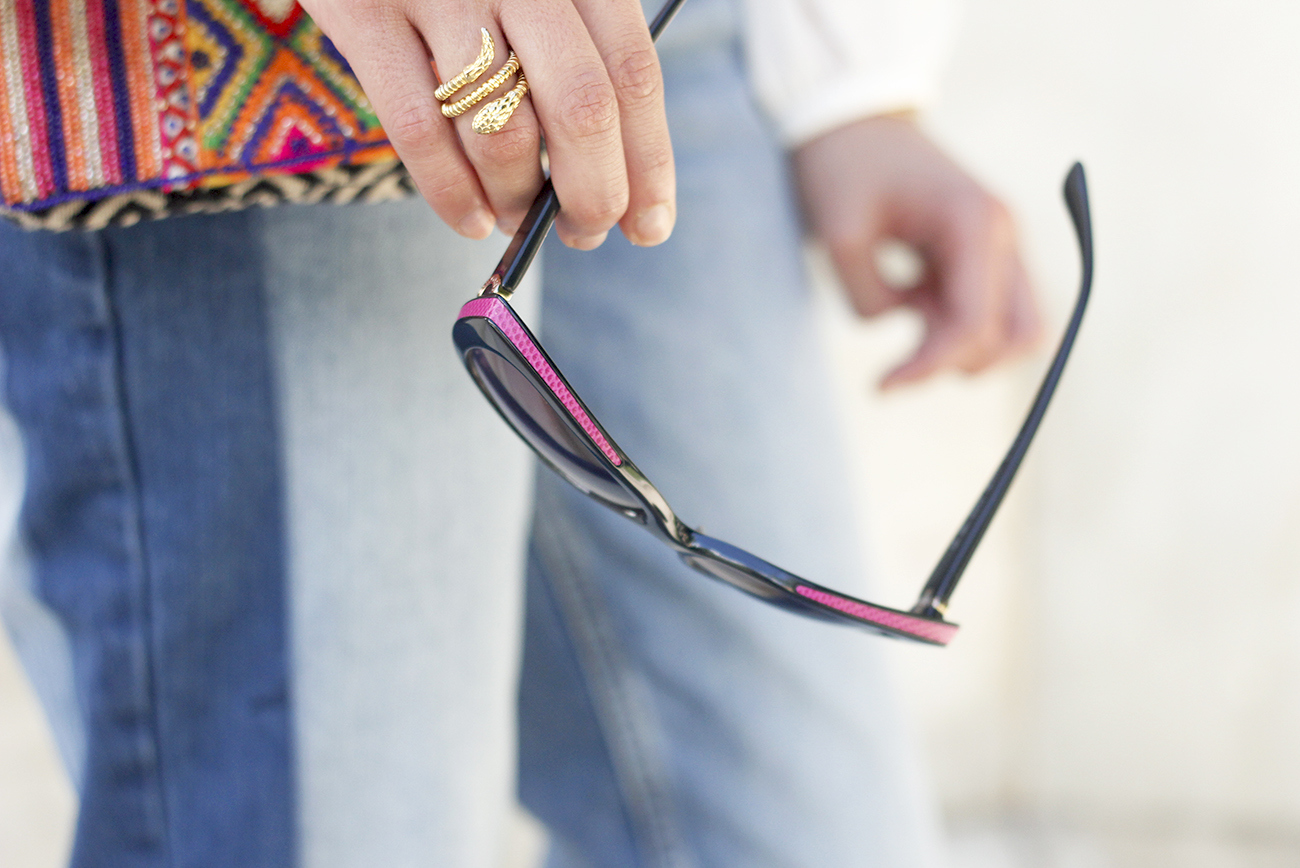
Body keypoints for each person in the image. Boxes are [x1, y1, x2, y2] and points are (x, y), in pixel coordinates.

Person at [0, 0, 1038, 865]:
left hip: (660, 40)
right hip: (285, 80)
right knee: (336, 821)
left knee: (797, 827)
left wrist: (848, 77)